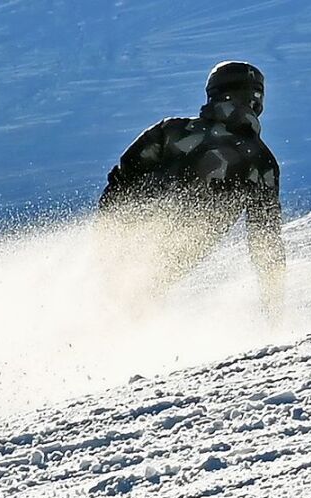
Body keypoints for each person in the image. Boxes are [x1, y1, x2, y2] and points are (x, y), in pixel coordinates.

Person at [98, 61, 285, 318]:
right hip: (176, 255)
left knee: (112, 301)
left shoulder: (172, 130)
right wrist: (274, 310)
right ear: (257, 99)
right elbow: (265, 242)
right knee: (139, 301)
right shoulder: (262, 162)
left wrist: (106, 234)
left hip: (127, 240)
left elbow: (121, 179)